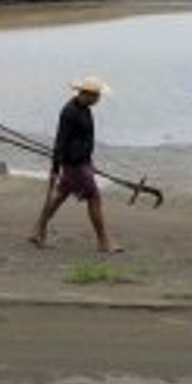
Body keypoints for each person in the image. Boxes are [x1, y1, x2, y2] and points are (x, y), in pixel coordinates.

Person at [28, 76, 123, 254]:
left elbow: (84, 140)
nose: (98, 99)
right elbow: (60, 141)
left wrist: (89, 162)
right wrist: (56, 166)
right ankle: (104, 241)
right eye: (96, 96)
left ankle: (38, 229)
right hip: (73, 164)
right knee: (94, 197)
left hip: (81, 162)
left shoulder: (85, 109)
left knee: (60, 195)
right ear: (86, 94)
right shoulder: (70, 112)